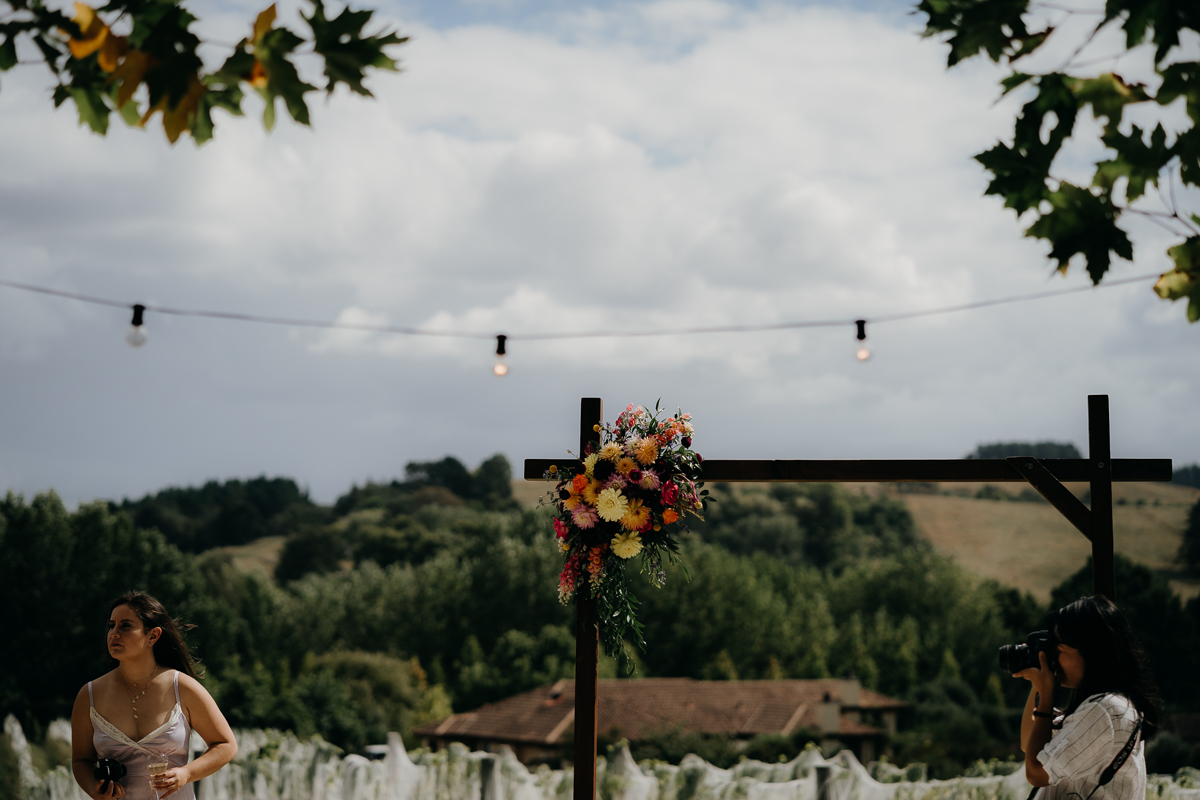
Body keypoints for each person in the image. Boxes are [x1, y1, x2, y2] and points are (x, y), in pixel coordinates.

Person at [71, 592, 238, 800]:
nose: (114, 633)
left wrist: (187, 773)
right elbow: (81, 760)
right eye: (111, 625)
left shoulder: (182, 687)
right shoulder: (89, 695)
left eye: (125, 626)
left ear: (153, 635)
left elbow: (226, 745)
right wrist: (94, 789)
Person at [1015, 595, 1161, 800]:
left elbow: (1036, 771)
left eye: (1059, 650)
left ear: (1092, 652)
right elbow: (1029, 744)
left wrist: (1047, 697)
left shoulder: (1106, 709)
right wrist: (1038, 684)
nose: (1054, 658)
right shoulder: (1099, 706)